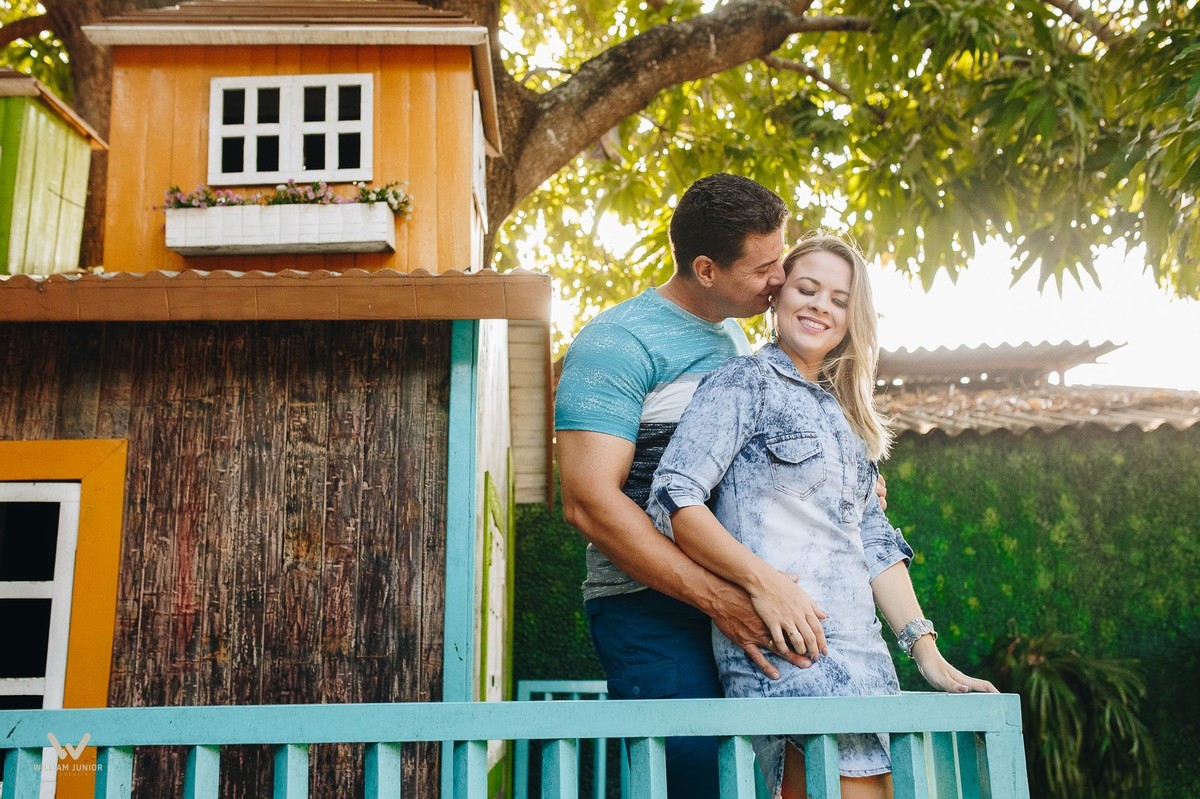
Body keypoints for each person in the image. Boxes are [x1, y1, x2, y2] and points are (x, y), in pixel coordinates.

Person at [646, 232, 996, 799]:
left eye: (838, 299)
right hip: (790, 653)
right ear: (778, 297)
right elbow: (675, 498)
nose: (820, 306)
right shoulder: (742, 383)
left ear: (852, 320)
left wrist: (927, 655)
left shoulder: (843, 417)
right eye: (807, 289)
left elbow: (875, 545)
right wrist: (763, 585)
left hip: (866, 663)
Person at [555, 173, 809, 798]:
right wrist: (715, 598)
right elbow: (589, 503)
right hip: (652, 608)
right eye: (764, 267)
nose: (780, 280)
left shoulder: (736, 339)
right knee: (700, 782)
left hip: (745, 598)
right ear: (705, 268)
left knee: (775, 780)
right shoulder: (618, 342)